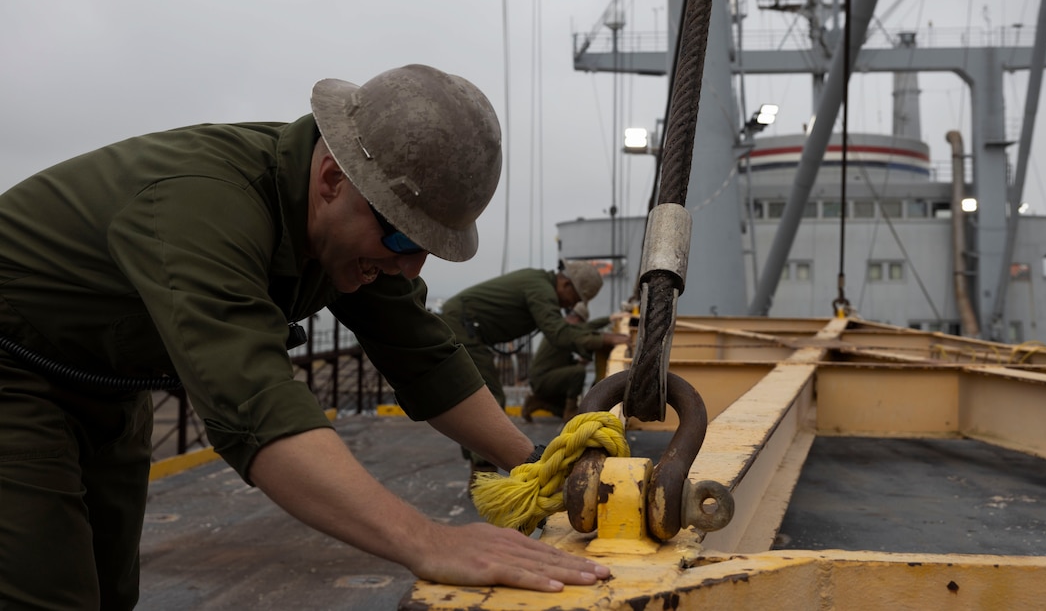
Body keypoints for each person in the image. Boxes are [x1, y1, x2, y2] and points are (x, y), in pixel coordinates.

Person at [0, 64, 611, 610]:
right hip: (15, 372)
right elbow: (255, 405)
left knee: (110, 592)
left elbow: (424, 355)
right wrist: (429, 540)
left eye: (428, 250)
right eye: (403, 239)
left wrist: (536, 465)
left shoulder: (353, 225)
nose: (411, 266)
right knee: (50, 593)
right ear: (329, 179)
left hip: (104, 382)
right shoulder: (205, 206)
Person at [438, 260, 630, 474]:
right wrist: (605, 339)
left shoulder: (538, 282)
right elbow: (559, 333)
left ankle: (479, 466)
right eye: (573, 299)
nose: (568, 306)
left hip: (465, 328)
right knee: (487, 397)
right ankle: (483, 472)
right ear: (566, 285)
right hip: (463, 328)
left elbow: (563, 329)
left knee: (478, 396)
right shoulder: (541, 290)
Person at [522, 302, 614, 422]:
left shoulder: (561, 329)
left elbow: (560, 359)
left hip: (543, 377)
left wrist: (577, 361)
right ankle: (570, 411)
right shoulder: (564, 330)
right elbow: (587, 328)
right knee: (578, 372)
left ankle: (537, 402)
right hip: (542, 379)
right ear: (576, 319)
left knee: (561, 409)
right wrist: (610, 319)